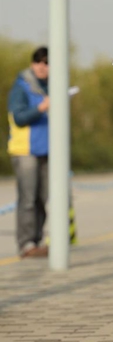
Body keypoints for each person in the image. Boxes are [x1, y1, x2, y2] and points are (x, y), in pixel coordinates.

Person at [7, 47, 50, 258]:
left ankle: (37, 240)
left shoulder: (52, 86)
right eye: (39, 62)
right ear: (33, 64)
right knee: (28, 200)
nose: (42, 66)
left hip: (47, 150)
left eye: (47, 63)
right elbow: (19, 118)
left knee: (43, 199)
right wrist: (42, 108)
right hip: (25, 151)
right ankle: (26, 244)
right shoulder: (22, 86)